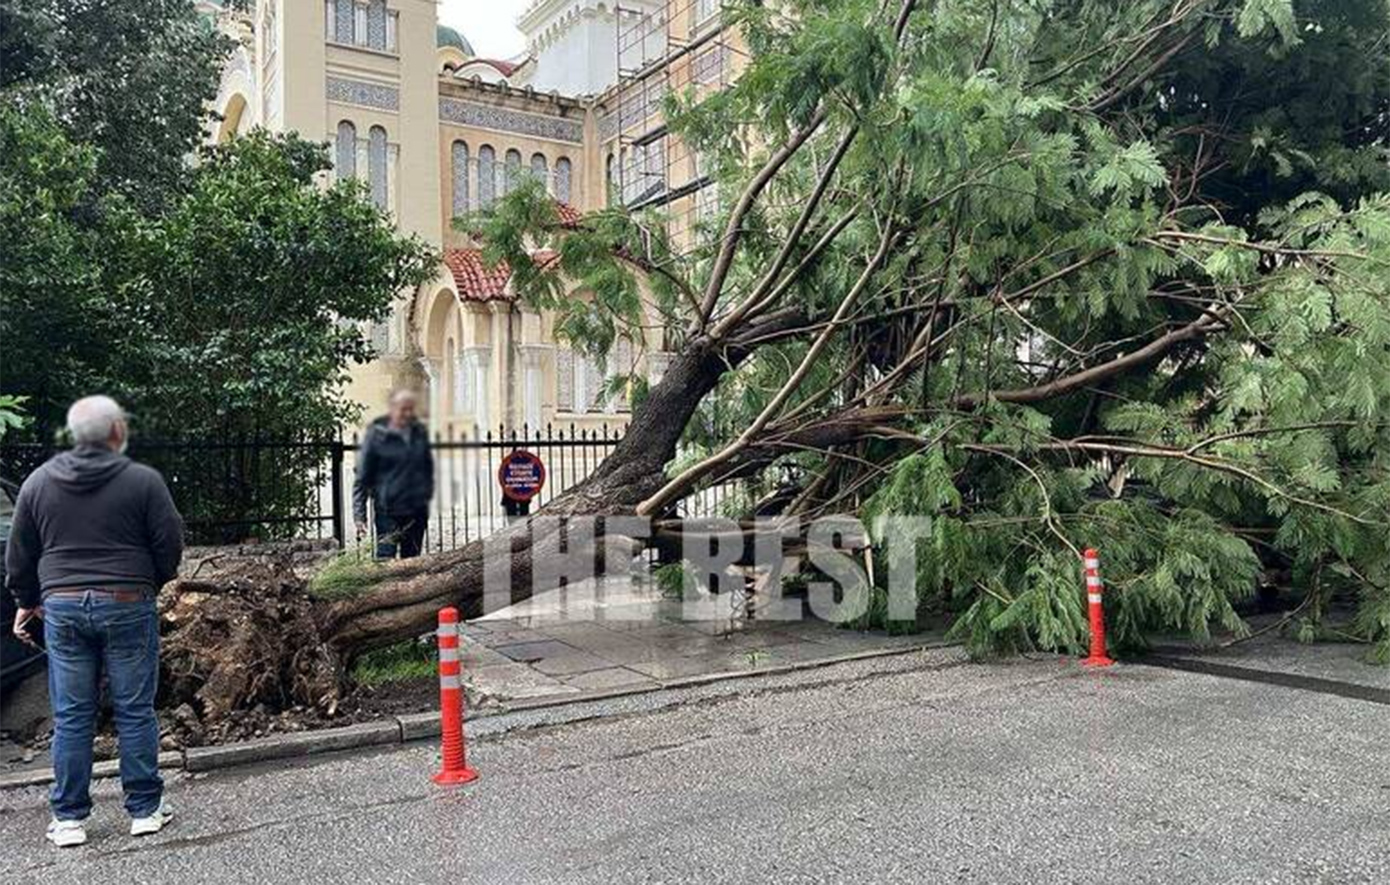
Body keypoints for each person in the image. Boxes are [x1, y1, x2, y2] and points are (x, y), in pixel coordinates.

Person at [6, 396, 183, 847]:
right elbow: (169, 544)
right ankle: (145, 810)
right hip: (127, 600)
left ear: (73, 435)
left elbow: (20, 552)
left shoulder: (39, 482)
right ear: (118, 433)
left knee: (72, 714)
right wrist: (149, 583)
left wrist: (27, 600)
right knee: (135, 709)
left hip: (61, 607)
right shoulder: (143, 481)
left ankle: (68, 819)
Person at [353, 389, 434, 559]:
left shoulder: (419, 433)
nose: (408, 413)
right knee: (385, 560)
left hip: (416, 511)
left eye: (411, 409)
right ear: (392, 408)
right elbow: (362, 476)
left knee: (412, 562)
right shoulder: (377, 435)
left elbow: (427, 468)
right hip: (388, 511)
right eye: (403, 409)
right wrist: (359, 515)